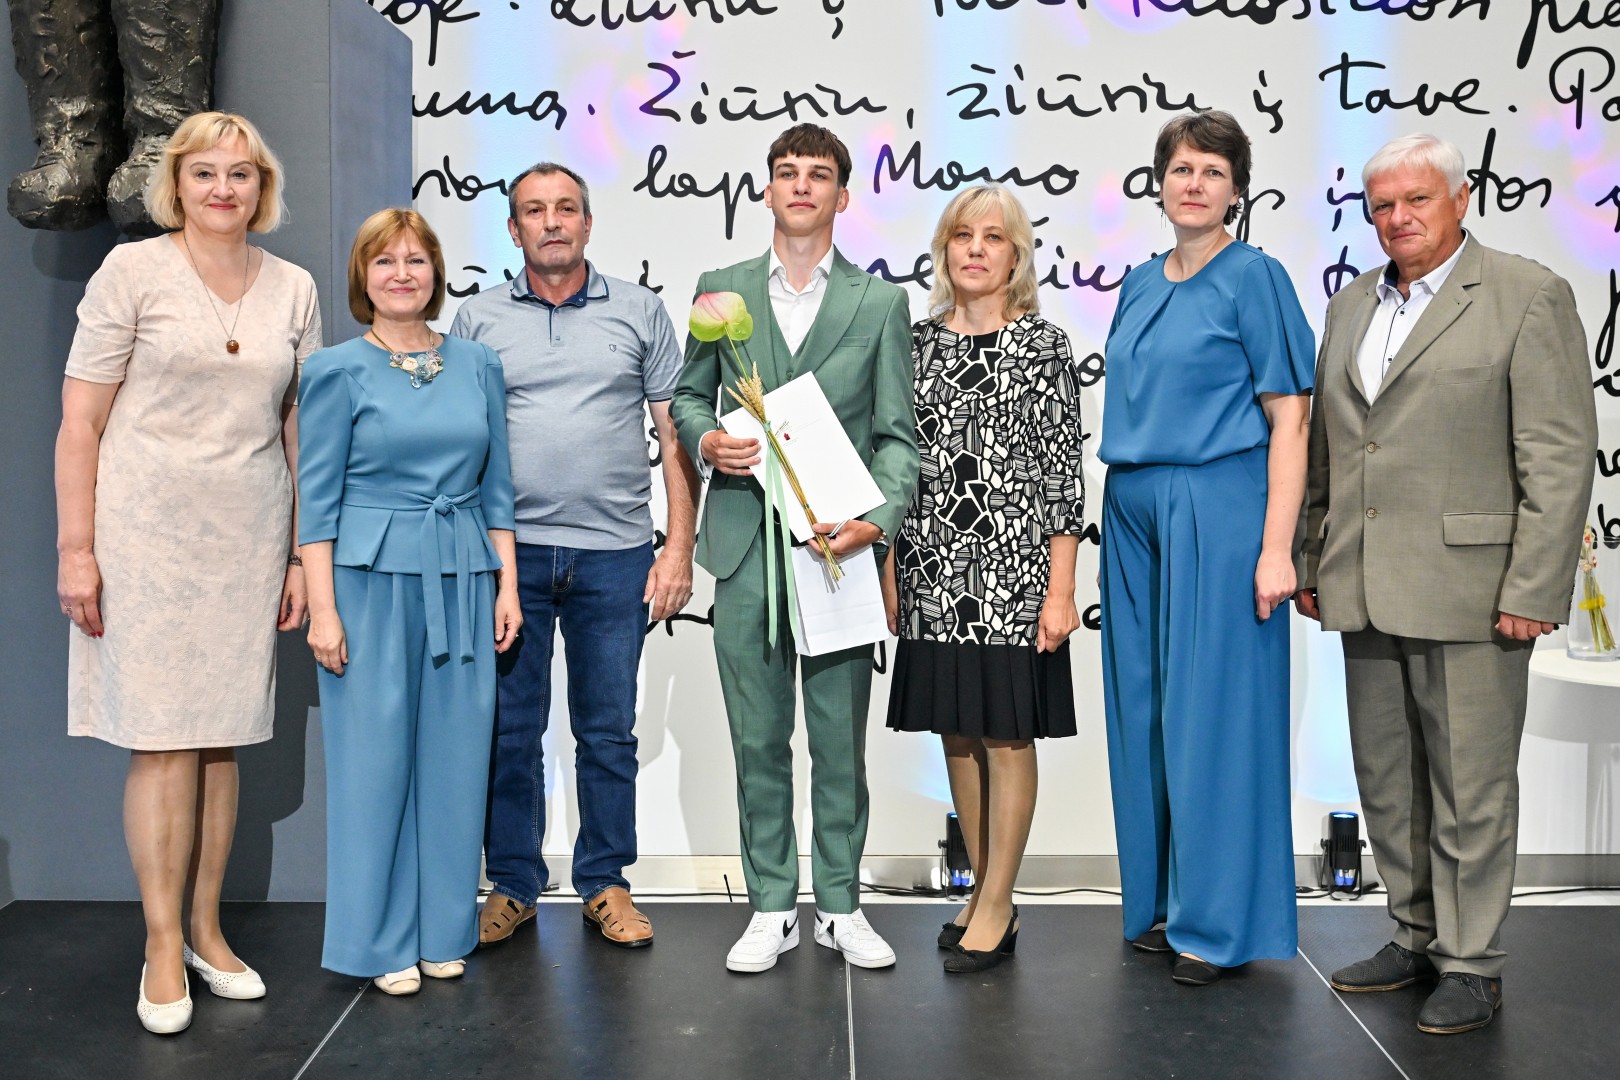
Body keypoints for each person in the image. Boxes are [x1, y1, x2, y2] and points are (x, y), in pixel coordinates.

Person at [1295, 133, 1598, 1034]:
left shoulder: (1527, 295)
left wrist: (1533, 587)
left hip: (1475, 588)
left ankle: (1472, 961)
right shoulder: (1351, 304)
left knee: (1471, 786)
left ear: (1461, 199)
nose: (1398, 218)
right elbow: (1330, 449)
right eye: (1382, 205)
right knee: (1389, 780)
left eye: (1416, 200)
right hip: (1362, 581)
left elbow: (1557, 456)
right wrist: (1312, 557)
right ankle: (1416, 934)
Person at [54, 111, 321, 1034]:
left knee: (220, 739)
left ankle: (207, 931)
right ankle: (162, 944)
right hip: (145, 541)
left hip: (248, 539)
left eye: (240, 174)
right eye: (204, 172)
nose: (222, 189)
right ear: (176, 184)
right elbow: (80, 422)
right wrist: (76, 549)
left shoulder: (293, 287)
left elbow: (301, 430)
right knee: (164, 740)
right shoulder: (131, 272)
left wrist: (300, 552)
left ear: (262, 188)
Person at [672, 123, 918, 974]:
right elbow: (688, 398)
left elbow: (897, 437)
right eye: (787, 172)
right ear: (767, 190)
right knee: (758, 740)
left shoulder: (880, 303)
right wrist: (707, 441)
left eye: (818, 174)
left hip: (837, 550)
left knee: (839, 744)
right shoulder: (720, 291)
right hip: (746, 546)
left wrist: (876, 522)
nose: (801, 185)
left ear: (843, 196)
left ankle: (841, 906)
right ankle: (772, 906)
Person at [451, 163, 699, 950]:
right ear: (514, 228)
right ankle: (513, 883)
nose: (552, 222)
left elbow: (674, 432)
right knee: (509, 731)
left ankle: (605, 882)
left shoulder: (639, 309)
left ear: (588, 223)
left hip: (616, 555)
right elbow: (457, 441)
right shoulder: (478, 319)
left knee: (607, 731)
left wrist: (679, 548)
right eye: (535, 210)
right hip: (509, 558)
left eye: (566, 209)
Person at [1099, 110, 1314, 986]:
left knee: (1214, 716)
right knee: (1144, 710)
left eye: (1213, 172)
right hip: (1132, 506)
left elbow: (1291, 419)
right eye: (1182, 168)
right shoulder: (1138, 282)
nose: (1195, 184)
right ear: (1160, 183)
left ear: (1237, 191)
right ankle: (1159, 903)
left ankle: (1218, 924)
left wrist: (1277, 548)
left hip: (1218, 505)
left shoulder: (1255, 277)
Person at [298, 209, 520, 995]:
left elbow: (497, 490)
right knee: (374, 767)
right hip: (368, 583)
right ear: (363, 277)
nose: (401, 274)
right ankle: (381, 941)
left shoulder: (478, 363)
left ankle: (441, 930)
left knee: (456, 762)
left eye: (415, 260)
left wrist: (507, 585)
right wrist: (323, 610)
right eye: (385, 261)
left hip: (463, 577)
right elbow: (316, 502)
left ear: (437, 273)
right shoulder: (334, 369)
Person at [881, 185, 1085, 974]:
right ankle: (981, 890)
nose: (975, 249)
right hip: (931, 570)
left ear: (1015, 255)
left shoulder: (1043, 345)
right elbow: (896, 463)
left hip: (1014, 577)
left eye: (992, 237)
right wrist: (892, 569)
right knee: (957, 730)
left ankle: (999, 901)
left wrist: (1061, 590)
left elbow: (1062, 475)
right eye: (962, 236)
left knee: (1004, 733)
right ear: (944, 250)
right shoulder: (916, 344)